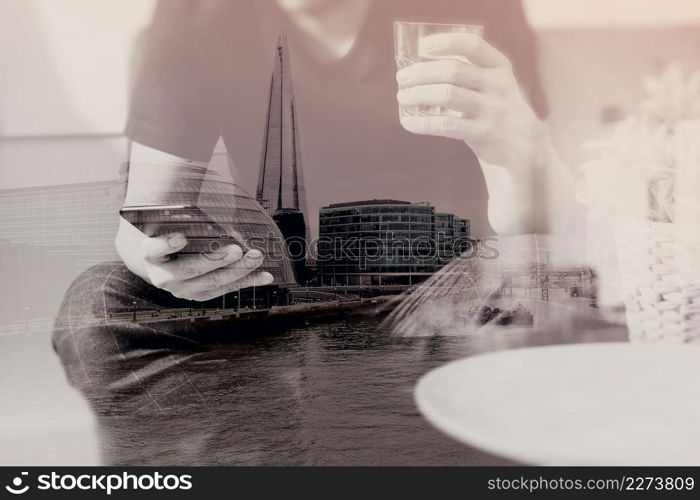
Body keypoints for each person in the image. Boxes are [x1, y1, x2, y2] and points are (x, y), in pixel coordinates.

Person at [115, 0, 575, 302]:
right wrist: (165, 264)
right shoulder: (197, 13)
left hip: (447, 283)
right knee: (101, 296)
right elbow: (142, 220)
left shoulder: (474, 8)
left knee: (553, 286)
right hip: (288, 286)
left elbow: (546, 224)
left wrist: (521, 144)